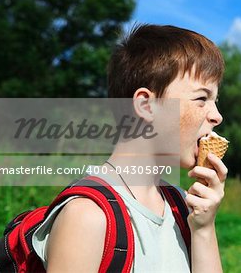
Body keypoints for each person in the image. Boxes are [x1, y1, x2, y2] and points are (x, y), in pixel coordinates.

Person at [31, 24, 228, 272]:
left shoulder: (181, 205)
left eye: (215, 100)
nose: (217, 116)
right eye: (202, 98)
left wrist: (204, 228)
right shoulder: (88, 217)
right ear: (146, 106)